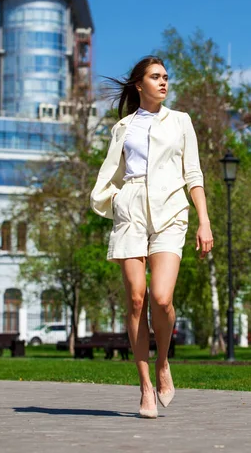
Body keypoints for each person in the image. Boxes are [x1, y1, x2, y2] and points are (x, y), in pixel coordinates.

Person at [90, 56, 213, 418]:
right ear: (138, 85)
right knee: (136, 299)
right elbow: (112, 172)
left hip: (171, 211)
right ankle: (145, 386)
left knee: (161, 298)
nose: (164, 83)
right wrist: (118, 200)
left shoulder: (181, 122)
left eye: (166, 77)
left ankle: (163, 363)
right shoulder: (123, 127)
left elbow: (194, 173)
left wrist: (204, 222)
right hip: (131, 211)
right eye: (156, 77)